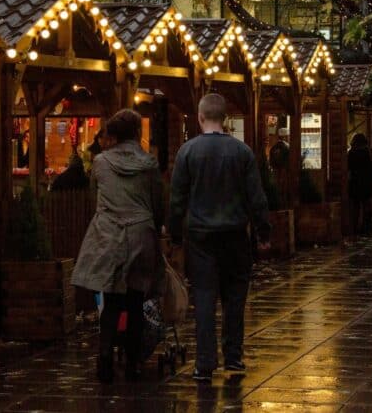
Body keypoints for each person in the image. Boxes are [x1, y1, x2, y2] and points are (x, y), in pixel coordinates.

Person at [168, 93, 271, 382]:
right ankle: (233, 357)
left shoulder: (187, 152)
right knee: (235, 298)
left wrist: (175, 235)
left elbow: (177, 200)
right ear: (224, 118)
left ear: (200, 117)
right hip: (235, 235)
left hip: (200, 237)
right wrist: (263, 232)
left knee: (204, 297)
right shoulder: (242, 152)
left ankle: (204, 363)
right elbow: (256, 198)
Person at [71, 110, 164, 383]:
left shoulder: (100, 163)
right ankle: (134, 363)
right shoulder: (149, 164)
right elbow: (157, 203)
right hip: (141, 234)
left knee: (110, 301)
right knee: (135, 301)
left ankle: (104, 358)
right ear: (136, 132)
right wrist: (157, 229)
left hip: (108, 233)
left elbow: (94, 198)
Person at [347, 133, 372, 237]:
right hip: (366, 184)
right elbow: (370, 167)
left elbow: (348, 168)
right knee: (367, 206)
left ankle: (354, 228)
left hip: (355, 183)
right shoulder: (367, 152)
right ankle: (367, 229)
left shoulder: (351, 153)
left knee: (355, 207)